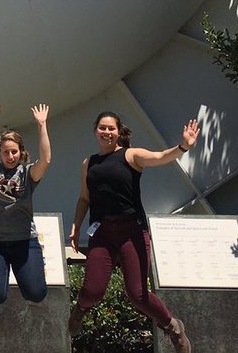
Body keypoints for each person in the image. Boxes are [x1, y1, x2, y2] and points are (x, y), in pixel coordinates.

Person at [68, 111, 199, 353]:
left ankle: (173, 328)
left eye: (111, 128)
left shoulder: (131, 155)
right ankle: (80, 309)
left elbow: (160, 157)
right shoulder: (89, 163)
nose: (106, 132)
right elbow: (84, 198)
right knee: (92, 292)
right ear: (95, 130)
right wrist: (76, 225)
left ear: (118, 132)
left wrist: (182, 147)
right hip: (102, 232)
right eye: (102, 128)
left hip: (132, 231)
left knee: (137, 294)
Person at [0, 99, 52, 308]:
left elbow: (45, 160)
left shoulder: (27, 173)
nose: (10, 156)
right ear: (0, 152)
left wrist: (41, 125)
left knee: (36, 294)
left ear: (20, 152)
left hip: (24, 241)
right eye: (6, 152)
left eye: (14, 152)